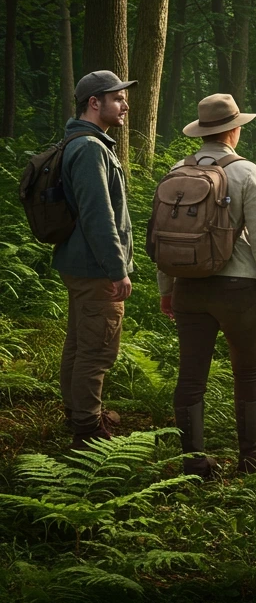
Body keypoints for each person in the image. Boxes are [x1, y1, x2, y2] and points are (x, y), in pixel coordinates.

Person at [156, 94, 256, 478]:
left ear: (202, 132)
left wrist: (167, 288)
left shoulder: (177, 169)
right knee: (248, 370)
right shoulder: (246, 172)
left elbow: (165, 234)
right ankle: (251, 453)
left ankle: (192, 461)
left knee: (191, 373)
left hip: (189, 287)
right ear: (234, 129)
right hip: (239, 288)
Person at [52, 70, 136, 449]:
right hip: (95, 267)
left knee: (79, 343)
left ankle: (77, 410)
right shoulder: (89, 148)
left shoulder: (83, 143)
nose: (125, 105)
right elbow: (98, 215)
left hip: (81, 263)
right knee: (98, 349)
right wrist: (117, 270)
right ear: (94, 103)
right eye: (118, 98)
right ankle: (87, 430)